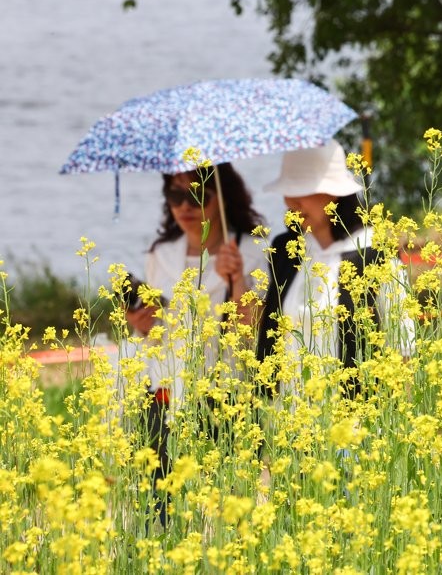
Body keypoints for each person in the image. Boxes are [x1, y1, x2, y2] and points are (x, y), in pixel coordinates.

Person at [125, 162, 265, 523]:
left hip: (225, 395)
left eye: (198, 194)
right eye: (175, 195)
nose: (185, 206)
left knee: (225, 512)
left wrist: (236, 280)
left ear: (222, 196)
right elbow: (157, 333)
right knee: (162, 508)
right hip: (164, 393)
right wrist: (141, 325)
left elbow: (251, 336)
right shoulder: (161, 255)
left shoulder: (251, 253)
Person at [257, 141, 415, 394]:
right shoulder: (284, 251)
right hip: (288, 415)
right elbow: (265, 329)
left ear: (334, 193)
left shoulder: (375, 253)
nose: (292, 202)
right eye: (289, 191)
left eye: (303, 192)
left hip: (354, 417)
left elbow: (403, 348)